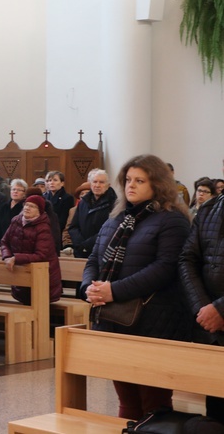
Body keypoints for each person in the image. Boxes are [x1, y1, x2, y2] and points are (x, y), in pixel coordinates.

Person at [81, 154, 191, 420]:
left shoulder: (172, 220)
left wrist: (113, 290)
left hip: (154, 320)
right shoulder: (117, 218)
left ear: (158, 184)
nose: (131, 185)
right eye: (128, 180)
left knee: (154, 402)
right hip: (114, 318)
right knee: (126, 398)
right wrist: (89, 287)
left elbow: (164, 268)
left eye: (140, 180)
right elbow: (95, 258)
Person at [179, 187, 224, 423]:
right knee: (216, 415)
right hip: (212, 331)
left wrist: (220, 310)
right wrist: (203, 308)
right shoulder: (209, 209)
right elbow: (187, 259)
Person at [0, 195, 62, 304]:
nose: (27, 208)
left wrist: (16, 258)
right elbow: (4, 242)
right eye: (26, 205)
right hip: (22, 275)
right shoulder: (16, 221)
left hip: (43, 277)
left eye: (32, 206)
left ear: (39, 211)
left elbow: (41, 255)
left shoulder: (43, 228)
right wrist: (7, 256)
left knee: (37, 306)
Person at [68, 169, 117, 258]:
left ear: (108, 185)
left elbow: (111, 230)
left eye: (101, 182)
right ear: (90, 184)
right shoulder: (83, 202)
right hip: (81, 251)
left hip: (103, 251)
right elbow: (73, 227)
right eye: (94, 182)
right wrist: (80, 244)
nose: (97, 185)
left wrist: (88, 244)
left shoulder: (115, 204)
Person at [43, 171, 75, 239]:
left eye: (55, 180)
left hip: (58, 231)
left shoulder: (67, 198)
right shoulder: (43, 197)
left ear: (62, 183)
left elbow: (65, 219)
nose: (51, 183)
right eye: (49, 180)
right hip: (44, 230)